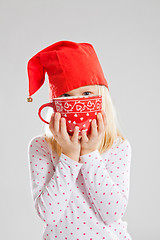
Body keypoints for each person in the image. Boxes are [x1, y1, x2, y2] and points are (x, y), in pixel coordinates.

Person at [27, 40, 132, 240]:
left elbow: (112, 214)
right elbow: (49, 214)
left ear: (101, 99)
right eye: (67, 95)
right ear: (55, 105)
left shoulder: (118, 146)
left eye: (86, 94)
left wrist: (89, 153)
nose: (78, 103)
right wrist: (68, 155)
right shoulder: (40, 146)